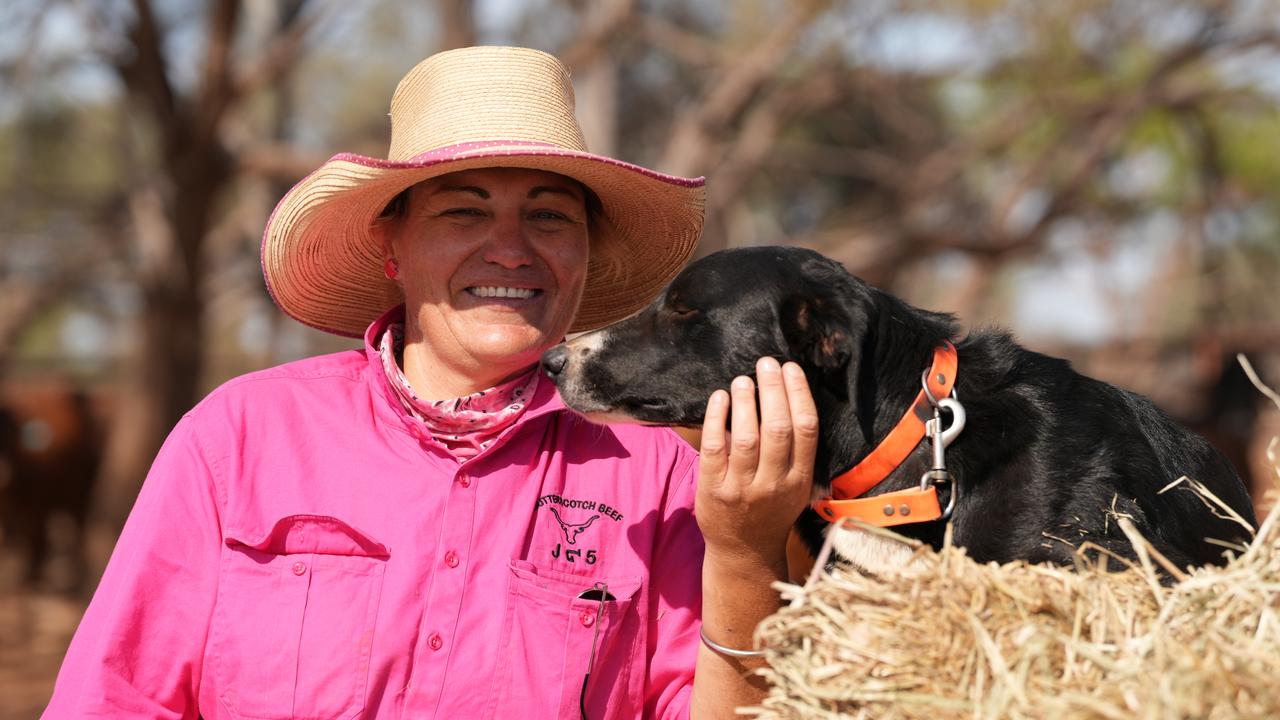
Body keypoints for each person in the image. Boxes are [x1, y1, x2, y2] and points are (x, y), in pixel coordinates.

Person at [43, 45, 817, 719]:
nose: (511, 250)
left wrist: (748, 557)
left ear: (585, 253)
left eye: (549, 217)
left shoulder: (663, 479)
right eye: (463, 213)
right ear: (393, 247)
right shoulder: (239, 438)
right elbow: (113, 699)